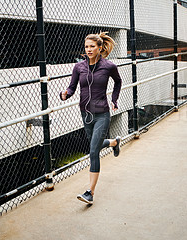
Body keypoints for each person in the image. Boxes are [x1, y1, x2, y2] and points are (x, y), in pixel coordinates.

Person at [60, 32, 122, 205]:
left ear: (100, 48)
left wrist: (114, 100)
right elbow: (71, 88)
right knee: (94, 145)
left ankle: (90, 192)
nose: (88, 49)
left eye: (92, 46)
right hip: (85, 114)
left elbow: (118, 82)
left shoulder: (108, 66)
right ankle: (114, 143)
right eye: (86, 46)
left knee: (93, 151)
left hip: (102, 113)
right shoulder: (79, 67)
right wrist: (65, 94)